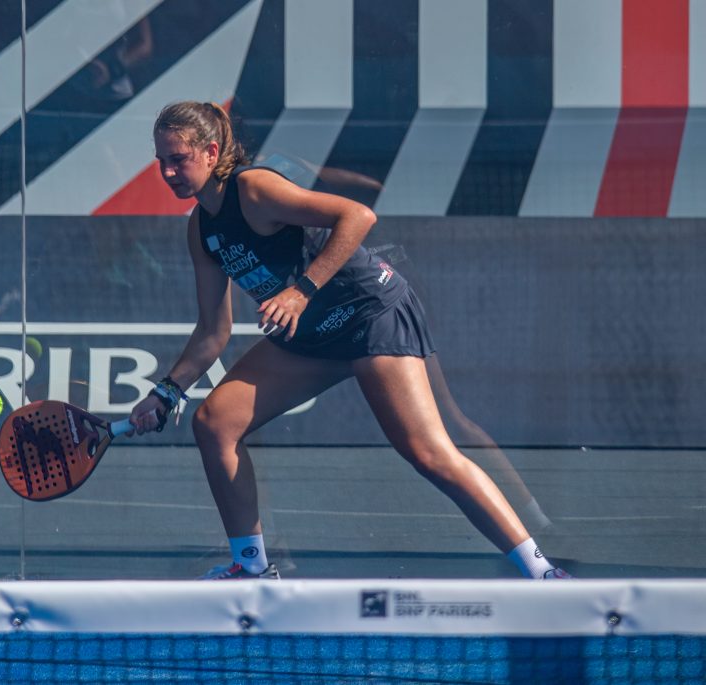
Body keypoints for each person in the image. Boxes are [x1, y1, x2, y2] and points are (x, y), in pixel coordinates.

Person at [128, 101, 570, 581]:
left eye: (179, 159)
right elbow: (213, 332)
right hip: (313, 336)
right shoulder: (201, 229)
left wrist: (301, 291)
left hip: (369, 315)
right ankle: (252, 567)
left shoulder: (255, 189)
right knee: (214, 423)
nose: (169, 171)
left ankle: (542, 572)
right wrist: (165, 391)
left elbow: (357, 216)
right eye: (161, 161)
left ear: (212, 152)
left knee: (428, 451)